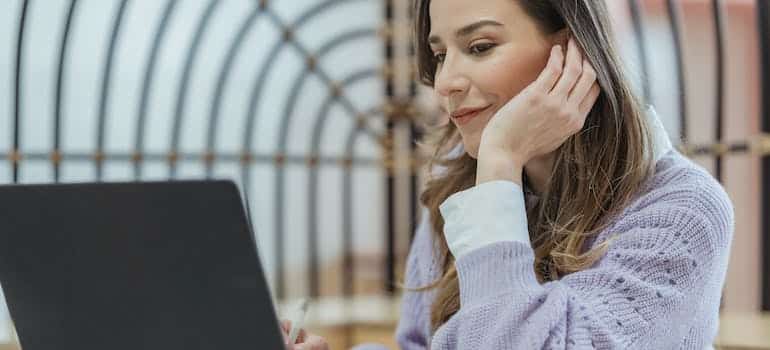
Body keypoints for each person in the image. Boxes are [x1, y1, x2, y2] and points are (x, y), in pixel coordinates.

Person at [283, 0, 734, 348]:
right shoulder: (461, 192)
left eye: (479, 47)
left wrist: (500, 161)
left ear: (572, 49)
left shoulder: (683, 211)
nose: (445, 83)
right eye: (440, 54)